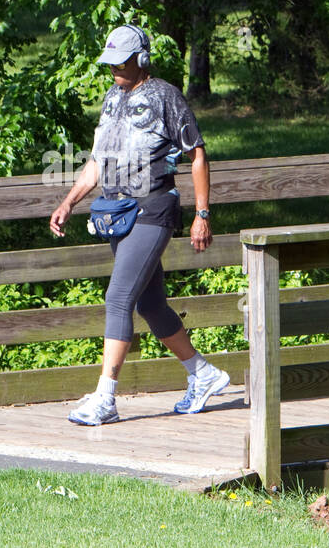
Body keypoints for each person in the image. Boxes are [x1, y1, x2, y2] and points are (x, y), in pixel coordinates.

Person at [48, 23, 232, 425]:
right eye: (109, 63)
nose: (114, 69)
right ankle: (203, 375)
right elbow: (97, 161)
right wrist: (68, 201)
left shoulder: (166, 96)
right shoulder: (112, 98)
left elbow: (197, 154)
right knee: (150, 304)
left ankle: (105, 398)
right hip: (116, 214)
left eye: (121, 62)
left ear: (141, 59)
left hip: (153, 209)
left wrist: (202, 214)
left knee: (118, 298)